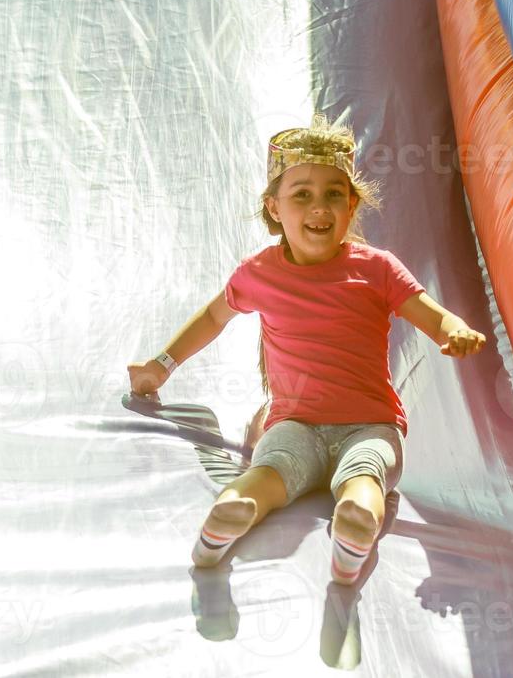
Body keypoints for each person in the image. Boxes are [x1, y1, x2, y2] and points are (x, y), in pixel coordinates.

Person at [126, 113, 486, 584]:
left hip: (370, 424)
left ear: (352, 205)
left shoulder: (375, 269)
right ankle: (235, 509)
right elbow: (215, 316)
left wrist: (454, 329)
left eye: (334, 194)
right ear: (274, 208)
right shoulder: (260, 272)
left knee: (365, 471)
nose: (320, 207)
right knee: (273, 466)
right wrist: (161, 366)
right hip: (294, 421)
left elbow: (430, 313)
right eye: (302, 195)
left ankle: (354, 523)